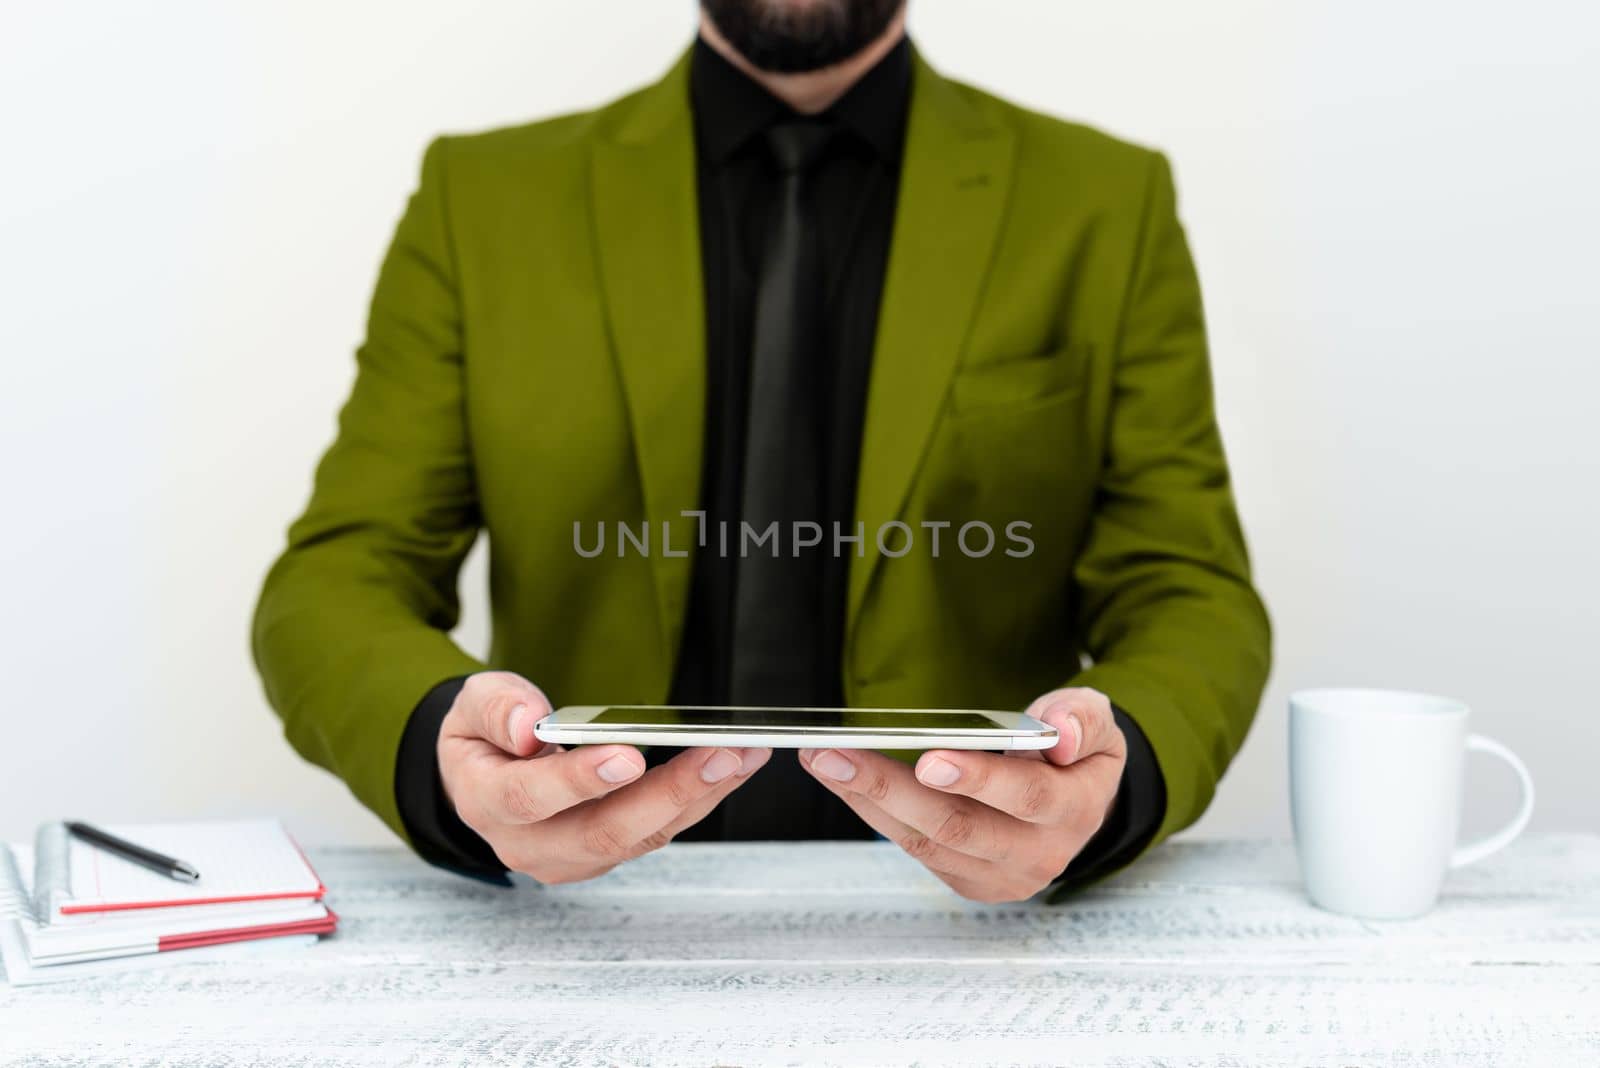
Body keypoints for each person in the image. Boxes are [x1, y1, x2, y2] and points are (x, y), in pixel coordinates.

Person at [253, 0, 1270, 903]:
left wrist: (1117, 776)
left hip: (960, 930)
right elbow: (339, 578)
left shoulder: (1103, 204)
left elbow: (1189, 591)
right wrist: (446, 754)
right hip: (589, 923)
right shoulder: (480, 200)